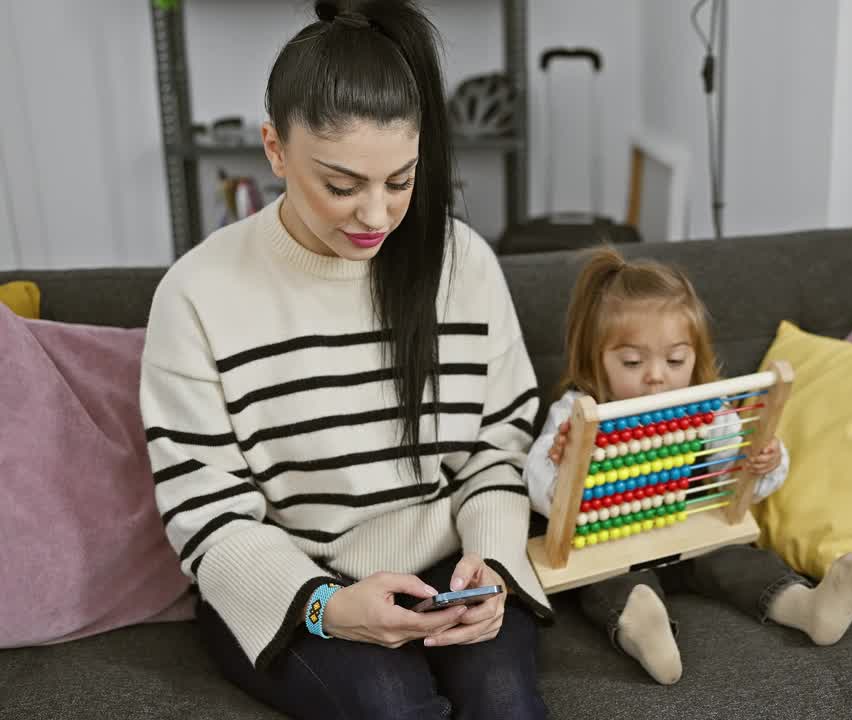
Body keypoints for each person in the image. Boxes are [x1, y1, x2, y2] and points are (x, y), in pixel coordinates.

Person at [139, 2, 550, 717]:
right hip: (295, 584)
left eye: (401, 180)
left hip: (451, 568)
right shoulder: (197, 294)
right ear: (274, 149)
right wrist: (328, 607)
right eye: (341, 185)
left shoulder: (466, 266)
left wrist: (494, 565)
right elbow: (206, 510)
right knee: (390, 708)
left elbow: (499, 445)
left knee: (506, 703)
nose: (376, 217)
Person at [524, 248, 852, 685]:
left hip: (683, 533)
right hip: (608, 545)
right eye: (632, 362)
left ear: (696, 356)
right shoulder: (578, 412)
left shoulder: (708, 410)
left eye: (675, 360)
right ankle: (644, 625)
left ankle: (805, 607)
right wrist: (562, 465)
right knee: (606, 583)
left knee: (736, 559)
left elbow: (735, 477)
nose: (656, 376)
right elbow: (535, 486)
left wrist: (762, 465)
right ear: (596, 358)